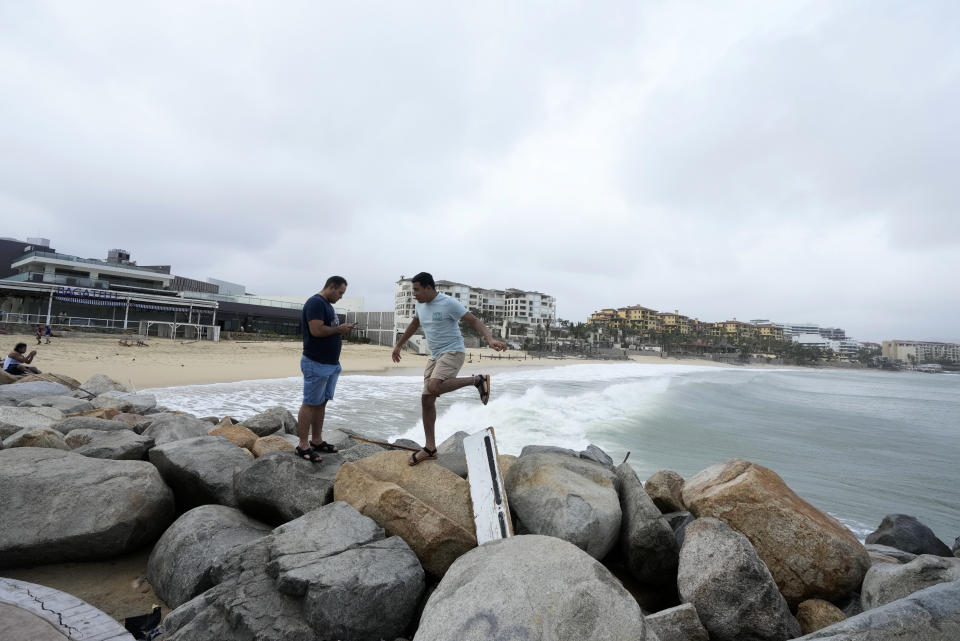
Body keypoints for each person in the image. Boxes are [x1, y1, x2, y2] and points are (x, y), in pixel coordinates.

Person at [392, 272, 507, 466]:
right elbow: (414, 324)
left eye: (417, 289)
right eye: (413, 290)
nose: (414, 294)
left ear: (429, 288)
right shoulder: (420, 304)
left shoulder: (448, 303)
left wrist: (490, 339)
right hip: (435, 354)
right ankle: (430, 448)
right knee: (426, 399)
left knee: (435, 386)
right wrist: (398, 345)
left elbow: (474, 320)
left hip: (453, 351)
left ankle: (477, 380)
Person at [296, 276, 355, 463]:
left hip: (330, 364)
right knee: (310, 403)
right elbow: (316, 330)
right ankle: (303, 445)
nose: (341, 297)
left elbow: (327, 329)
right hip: (316, 362)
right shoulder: (316, 302)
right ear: (331, 287)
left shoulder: (328, 305)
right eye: (340, 292)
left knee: (321, 402)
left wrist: (340, 329)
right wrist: (339, 330)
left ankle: (317, 440)